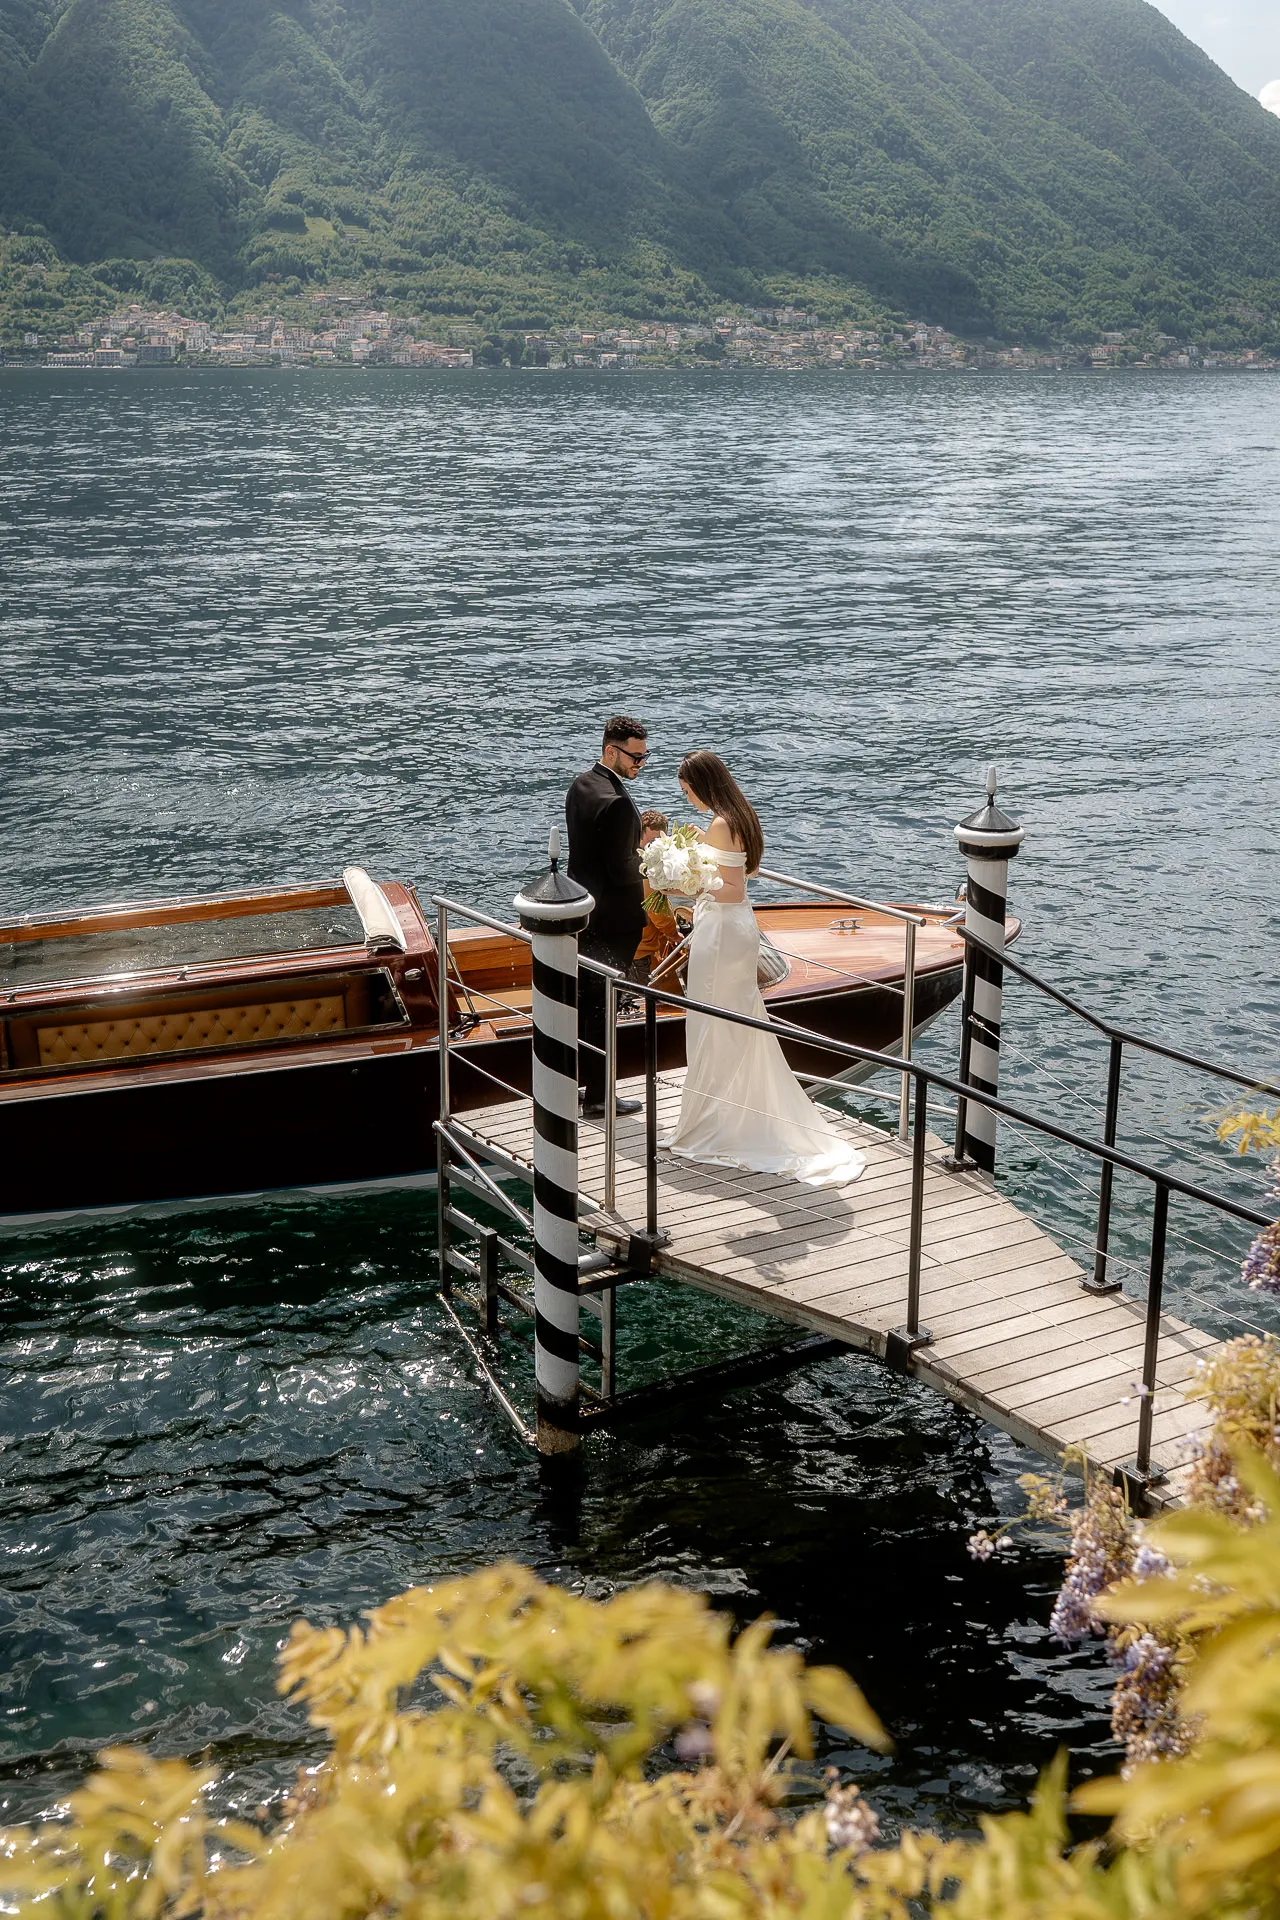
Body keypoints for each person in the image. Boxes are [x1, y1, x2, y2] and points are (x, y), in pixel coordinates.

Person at [662, 750, 865, 1187]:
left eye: (687, 791)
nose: (688, 799)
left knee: (711, 1022)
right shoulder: (741, 815)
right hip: (738, 930)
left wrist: (681, 884)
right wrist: (700, 853)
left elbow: (729, 888)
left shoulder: (720, 822)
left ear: (701, 785)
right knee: (736, 1023)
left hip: (721, 933)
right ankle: (725, 1113)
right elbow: (740, 870)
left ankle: (715, 1123)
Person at [565, 715, 649, 1116]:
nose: (640, 765)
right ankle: (600, 1097)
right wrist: (656, 864)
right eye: (635, 757)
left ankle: (584, 1086)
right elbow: (621, 870)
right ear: (611, 750)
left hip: (582, 911)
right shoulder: (616, 804)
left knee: (586, 1004)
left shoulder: (581, 784)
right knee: (603, 1007)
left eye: (645, 757)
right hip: (615, 919)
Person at [632, 809, 684, 985]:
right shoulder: (646, 869)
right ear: (640, 835)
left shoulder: (625, 859)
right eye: (653, 840)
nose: (656, 845)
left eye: (661, 840)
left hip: (628, 945)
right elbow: (656, 910)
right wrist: (674, 934)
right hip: (641, 951)